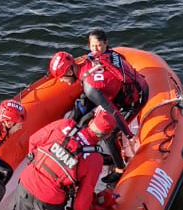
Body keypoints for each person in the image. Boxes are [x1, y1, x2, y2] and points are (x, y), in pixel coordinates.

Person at [48, 46, 148, 179]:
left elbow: (113, 113)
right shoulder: (89, 61)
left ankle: (120, 169)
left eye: (62, 77)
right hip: (123, 90)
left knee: (109, 134)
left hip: (136, 98)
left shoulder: (90, 87)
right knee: (84, 113)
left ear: (70, 71)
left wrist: (129, 135)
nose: (61, 81)